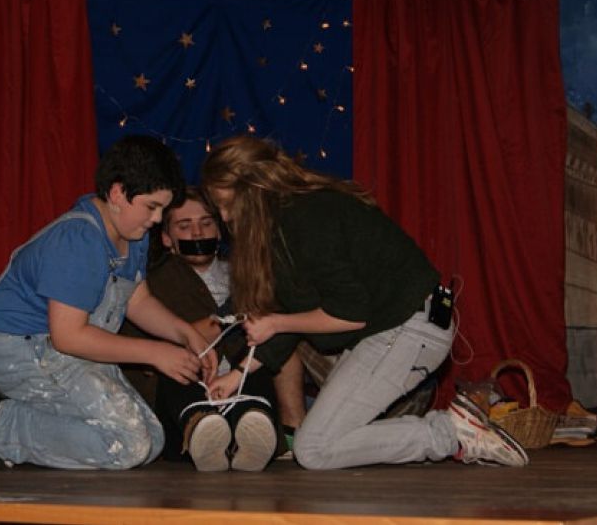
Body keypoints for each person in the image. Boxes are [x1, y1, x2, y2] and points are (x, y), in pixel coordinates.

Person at [200, 135, 529, 470]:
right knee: (330, 437)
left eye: (228, 204)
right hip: (391, 328)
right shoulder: (286, 220)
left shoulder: (306, 218)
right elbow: (291, 314)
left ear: (255, 190)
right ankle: (448, 431)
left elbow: (348, 313)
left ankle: (452, 433)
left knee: (314, 449)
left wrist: (276, 323)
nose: (225, 217)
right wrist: (236, 376)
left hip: (409, 326)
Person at [0, 135, 216, 471]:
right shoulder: (78, 240)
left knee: (153, 440)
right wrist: (155, 352)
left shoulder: (132, 234)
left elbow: (138, 301)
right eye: (152, 207)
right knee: (129, 446)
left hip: (67, 348)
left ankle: (27, 418)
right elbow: (68, 337)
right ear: (118, 193)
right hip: (28, 350)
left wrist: (185, 334)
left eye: (162, 209)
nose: (156, 218)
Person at [145, 187, 282, 472]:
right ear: (167, 237)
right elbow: (144, 348)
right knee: (177, 362)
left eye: (206, 223)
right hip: (187, 388)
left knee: (258, 353)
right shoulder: (150, 285)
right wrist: (213, 327)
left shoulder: (248, 273)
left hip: (240, 376)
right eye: (185, 226)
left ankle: (253, 426)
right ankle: (201, 428)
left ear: (219, 231)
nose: (197, 233)